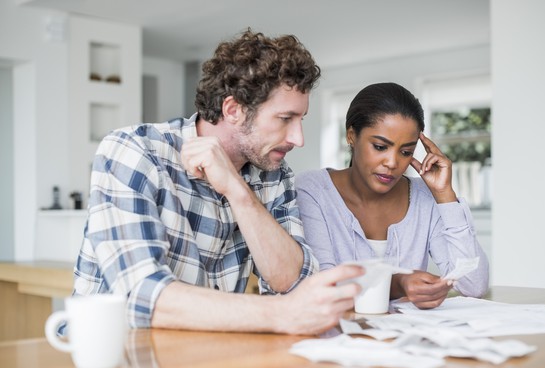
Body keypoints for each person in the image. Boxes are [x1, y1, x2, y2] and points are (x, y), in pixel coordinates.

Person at [72, 29, 363, 335]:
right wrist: (279, 314)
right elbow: (141, 296)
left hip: (205, 356)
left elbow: (292, 282)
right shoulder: (135, 151)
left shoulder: (274, 174)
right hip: (118, 356)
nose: (298, 138)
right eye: (284, 119)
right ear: (234, 110)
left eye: (300, 120)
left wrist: (237, 190)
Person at [296, 82, 489, 309]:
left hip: (407, 340)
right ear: (351, 135)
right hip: (335, 340)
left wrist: (445, 195)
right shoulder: (313, 190)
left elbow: (474, 285)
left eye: (406, 152)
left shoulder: (424, 197)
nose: (392, 163)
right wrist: (397, 283)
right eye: (380, 147)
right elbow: (321, 286)